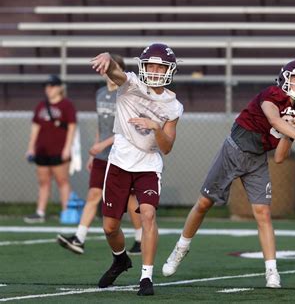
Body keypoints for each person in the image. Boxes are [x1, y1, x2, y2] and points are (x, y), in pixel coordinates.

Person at [161, 59, 295, 288]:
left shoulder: (294, 116)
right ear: (285, 77)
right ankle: (180, 248)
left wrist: (291, 133)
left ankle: (272, 271)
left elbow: (281, 157)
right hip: (233, 149)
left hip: (257, 160)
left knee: (263, 213)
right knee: (204, 203)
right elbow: (273, 118)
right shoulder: (271, 93)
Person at [91, 43, 183, 296]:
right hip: (120, 160)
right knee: (110, 227)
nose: (153, 70)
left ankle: (146, 277)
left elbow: (167, 147)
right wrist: (108, 59)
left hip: (148, 163)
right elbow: (116, 74)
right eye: (150, 65)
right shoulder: (131, 84)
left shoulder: (173, 106)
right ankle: (120, 259)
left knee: (148, 214)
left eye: (159, 66)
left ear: (169, 70)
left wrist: (155, 127)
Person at [57, 54, 143, 256]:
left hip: (122, 154)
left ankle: (140, 238)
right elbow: (101, 126)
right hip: (102, 155)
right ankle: (79, 238)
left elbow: (126, 129)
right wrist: (94, 151)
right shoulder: (101, 93)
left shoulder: (125, 94)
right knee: (93, 195)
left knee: (131, 200)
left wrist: (103, 144)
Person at [24, 75, 77, 223]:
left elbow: (72, 127)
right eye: (47, 86)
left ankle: (66, 212)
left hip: (59, 150)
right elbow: (35, 127)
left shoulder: (67, 105)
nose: (49, 89)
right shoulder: (41, 105)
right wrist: (31, 148)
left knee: (62, 181)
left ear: (60, 87)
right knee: (43, 182)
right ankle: (40, 212)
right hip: (42, 150)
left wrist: (67, 148)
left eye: (52, 86)